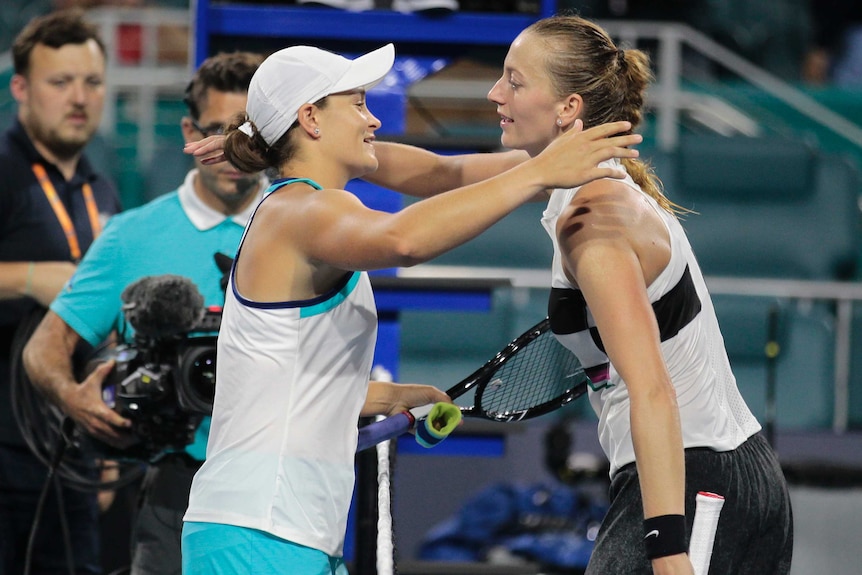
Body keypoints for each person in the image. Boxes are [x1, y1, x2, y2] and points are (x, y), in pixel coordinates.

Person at [180, 42, 641, 574]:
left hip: (274, 528)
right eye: (357, 104)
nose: (372, 117)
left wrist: (389, 397)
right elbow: (404, 241)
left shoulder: (296, 207)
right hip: (260, 530)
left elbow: (280, 383)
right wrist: (538, 174)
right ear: (310, 118)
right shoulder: (302, 210)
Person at [22, 51, 270, 575]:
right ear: (187, 129)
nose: (230, 151)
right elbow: (44, 348)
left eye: (247, 134)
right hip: (168, 491)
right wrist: (76, 399)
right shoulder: (129, 236)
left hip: (279, 487)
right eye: (215, 132)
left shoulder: (308, 225)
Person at [0, 9, 121, 574]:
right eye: (60, 82)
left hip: (70, 457)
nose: (79, 97)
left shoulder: (101, 192)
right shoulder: (2, 173)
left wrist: (107, 456)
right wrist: (28, 277)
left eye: (92, 82)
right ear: (20, 88)